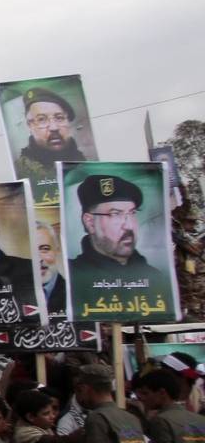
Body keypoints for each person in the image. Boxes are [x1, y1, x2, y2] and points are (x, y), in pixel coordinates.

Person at [67, 173, 162, 304]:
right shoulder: (71, 278)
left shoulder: (156, 279)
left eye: (132, 213)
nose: (129, 225)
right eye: (116, 214)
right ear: (90, 222)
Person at [12, 85, 89, 188]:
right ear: (30, 125)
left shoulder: (86, 164)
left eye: (59, 118)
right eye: (42, 119)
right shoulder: (20, 171)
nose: (53, 128)